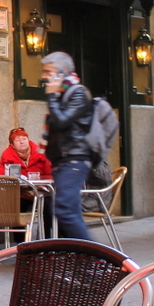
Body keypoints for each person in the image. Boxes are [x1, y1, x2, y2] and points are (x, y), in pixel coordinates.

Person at [41, 51, 95, 241]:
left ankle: (100, 260)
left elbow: (62, 121)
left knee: (65, 210)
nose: (43, 76)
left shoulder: (78, 93)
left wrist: (52, 97)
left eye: (47, 71)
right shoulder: (65, 94)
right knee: (68, 212)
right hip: (63, 161)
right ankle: (88, 261)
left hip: (74, 160)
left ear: (62, 71)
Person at [0, 127, 53, 237]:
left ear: (28, 140)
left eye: (24, 138)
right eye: (17, 140)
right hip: (20, 194)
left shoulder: (41, 153)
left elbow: (50, 174)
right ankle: (20, 243)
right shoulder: (7, 156)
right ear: (12, 145)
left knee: (49, 205)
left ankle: (47, 239)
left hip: (42, 193)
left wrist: (42, 185)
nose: (22, 142)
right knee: (15, 204)